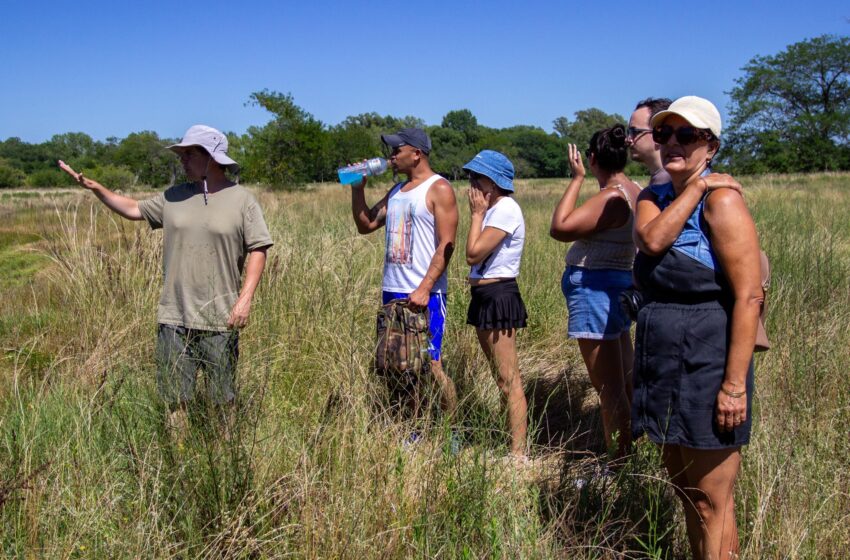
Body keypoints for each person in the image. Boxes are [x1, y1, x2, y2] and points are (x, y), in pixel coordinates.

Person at [58, 125, 273, 432]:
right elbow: (133, 209)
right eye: (181, 154)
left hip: (220, 317)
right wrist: (96, 188)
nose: (182, 160)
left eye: (189, 154)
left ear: (211, 157)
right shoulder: (173, 197)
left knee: (222, 400)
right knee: (175, 400)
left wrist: (245, 299)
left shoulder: (242, 200)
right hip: (174, 316)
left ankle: (224, 452)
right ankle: (178, 454)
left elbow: (258, 249)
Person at [631, 96, 761, 559]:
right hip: (661, 359)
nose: (672, 143)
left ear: (711, 145)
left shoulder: (723, 203)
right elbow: (652, 239)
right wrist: (696, 186)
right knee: (686, 491)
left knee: (711, 501)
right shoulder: (653, 198)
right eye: (664, 133)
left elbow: (749, 296)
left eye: (687, 135)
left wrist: (733, 387)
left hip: (707, 359)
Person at [349, 128, 458, 418]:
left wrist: (425, 288)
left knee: (431, 364)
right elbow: (366, 224)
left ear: (417, 153)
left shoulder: (439, 188)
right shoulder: (397, 191)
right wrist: (357, 189)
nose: (391, 156)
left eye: (397, 150)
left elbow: (447, 245)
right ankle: (410, 427)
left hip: (425, 293)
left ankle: (451, 430)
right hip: (392, 291)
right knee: (396, 363)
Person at [550, 125, 642, 459]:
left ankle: (617, 465)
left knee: (609, 390)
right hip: (617, 285)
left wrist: (576, 179)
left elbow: (560, 227)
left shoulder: (611, 198)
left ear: (592, 159)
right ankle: (630, 455)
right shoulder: (636, 190)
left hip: (595, 290)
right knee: (625, 380)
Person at [463, 150, 529, 459]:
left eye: (477, 178)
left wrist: (476, 216)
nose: (472, 185)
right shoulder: (494, 210)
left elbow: (473, 254)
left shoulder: (505, 209)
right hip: (485, 296)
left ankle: (518, 455)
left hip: (499, 295)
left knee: (508, 379)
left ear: (493, 182)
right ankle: (509, 443)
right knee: (500, 378)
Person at [626, 98, 673, 186]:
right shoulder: (660, 181)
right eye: (628, 132)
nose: (628, 139)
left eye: (634, 132)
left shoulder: (675, 184)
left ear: (659, 134)